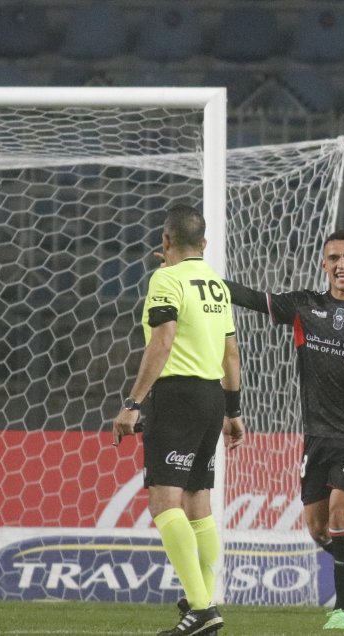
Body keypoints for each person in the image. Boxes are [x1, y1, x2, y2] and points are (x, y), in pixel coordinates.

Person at [224, 230, 344, 631]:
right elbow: (253, 299)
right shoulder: (305, 306)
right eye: (334, 258)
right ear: (324, 265)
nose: (342, 264)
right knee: (318, 528)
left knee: (342, 516)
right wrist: (201, 280)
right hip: (315, 433)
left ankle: (343, 610)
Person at [112, 204, 245, 636]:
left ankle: (203, 609)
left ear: (165, 242)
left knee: (164, 503)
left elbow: (163, 341)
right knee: (197, 502)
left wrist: (133, 402)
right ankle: (203, 602)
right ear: (203, 244)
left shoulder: (165, 279)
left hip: (178, 397)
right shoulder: (217, 286)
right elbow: (230, 353)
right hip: (211, 397)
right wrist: (233, 409)